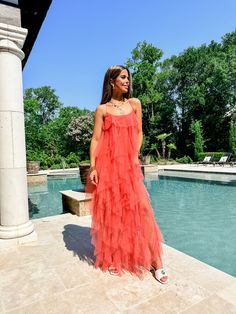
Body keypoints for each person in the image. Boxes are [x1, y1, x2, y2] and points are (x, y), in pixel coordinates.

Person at [86, 65, 169, 283]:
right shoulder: (102, 109)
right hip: (108, 167)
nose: (127, 81)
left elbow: (140, 132)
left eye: (128, 78)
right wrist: (93, 166)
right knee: (114, 212)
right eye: (123, 77)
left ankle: (156, 262)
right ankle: (115, 256)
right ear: (111, 81)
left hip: (129, 167)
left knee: (142, 210)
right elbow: (95, 140)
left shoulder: (135, 104)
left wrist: (134, 154)